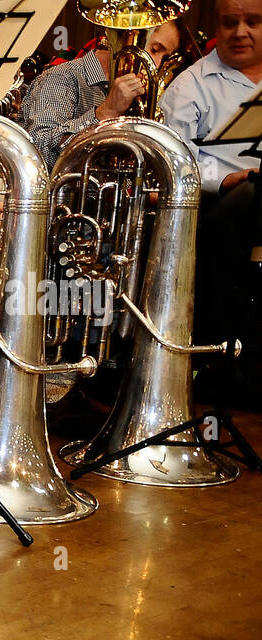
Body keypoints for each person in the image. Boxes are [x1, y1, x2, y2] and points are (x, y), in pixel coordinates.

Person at [161, 0, 262, 402]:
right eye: (230, 22)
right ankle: (226, 364)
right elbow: (174, 161)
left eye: (253, 22)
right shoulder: (191, 85)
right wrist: (227, 179)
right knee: (252, 195)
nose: (240, 32)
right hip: (217, 206)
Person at [20, 19, 183, 170]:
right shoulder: (62, 77)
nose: (157, 64)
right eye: (154, 50)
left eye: (165, 57)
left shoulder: (141, 96)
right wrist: (107, 112)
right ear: (126, 36)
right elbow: (38, 153)